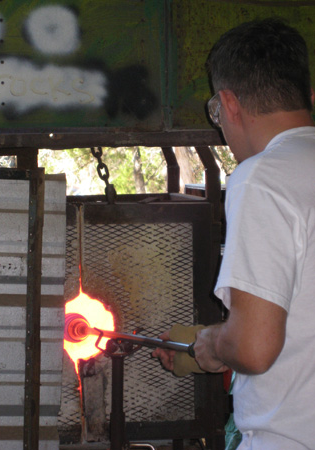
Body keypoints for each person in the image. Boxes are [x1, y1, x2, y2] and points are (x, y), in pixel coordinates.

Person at [152, 18, 315, 449]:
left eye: (215, 113)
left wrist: (211, 343)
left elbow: (254, 347)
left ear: (228, 103)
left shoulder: (261, 177)